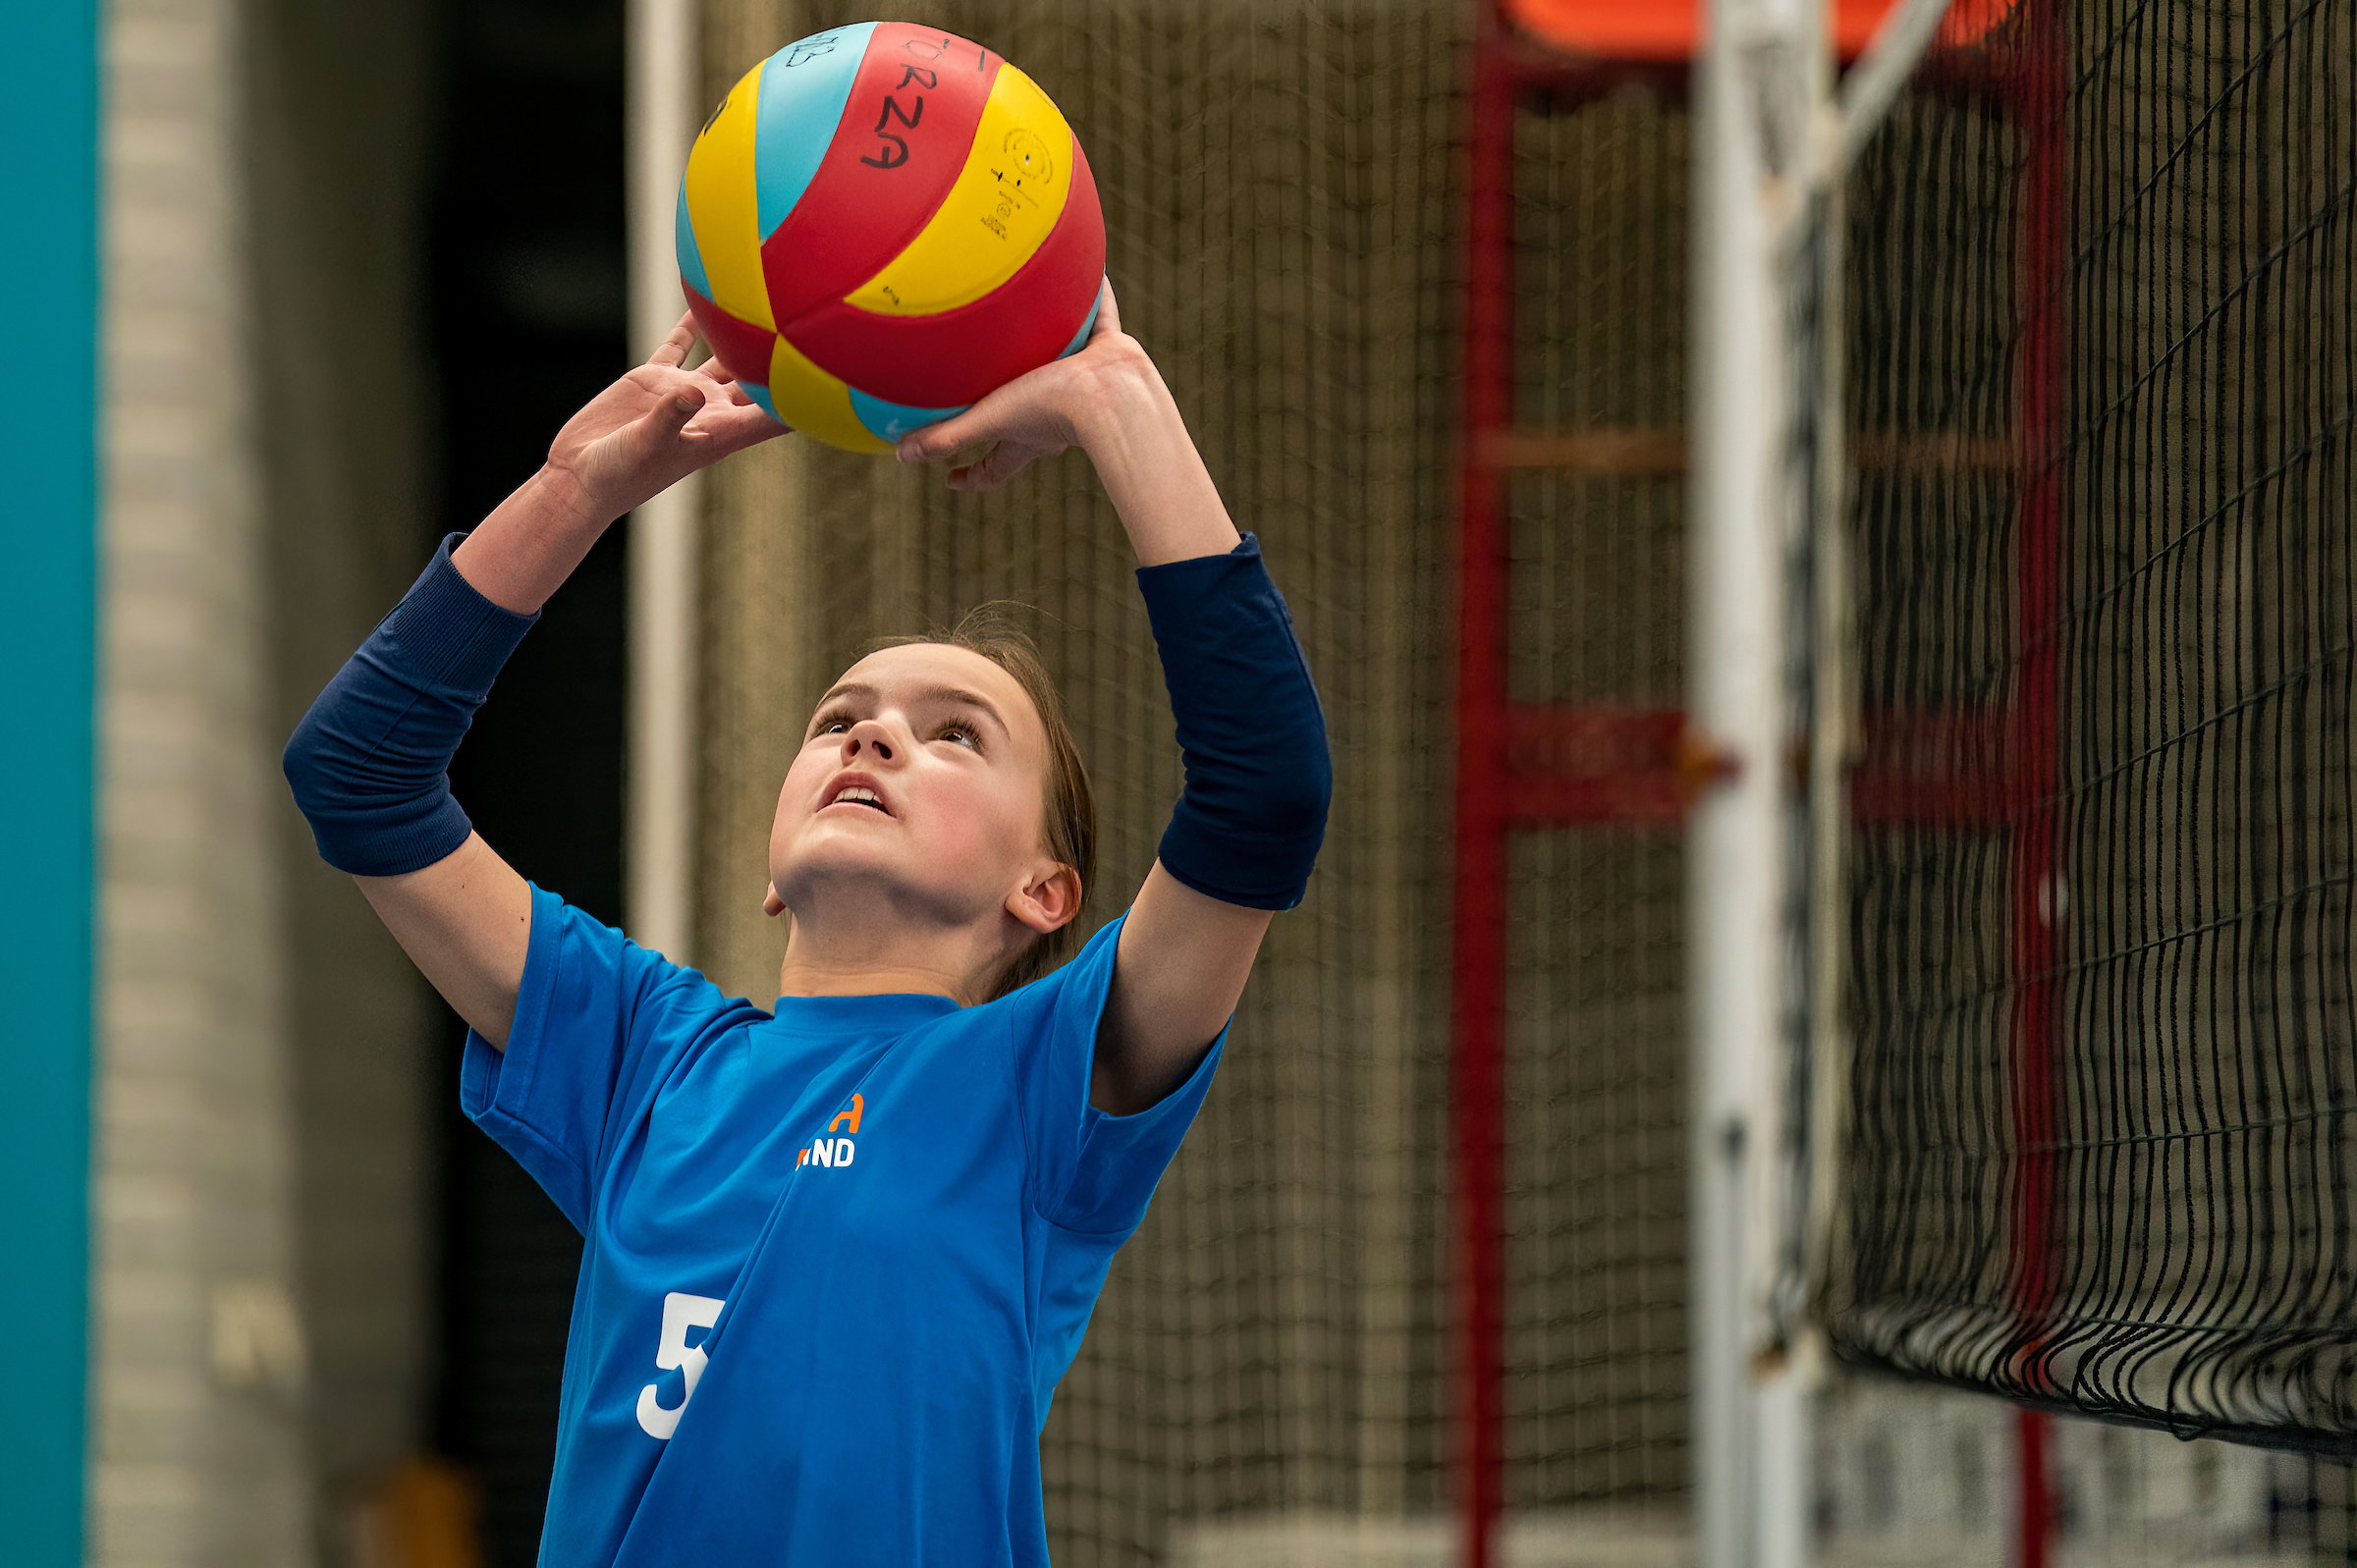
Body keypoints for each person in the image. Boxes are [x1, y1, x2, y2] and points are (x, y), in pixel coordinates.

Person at [283, 283, 1331, 1565]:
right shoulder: (646, 1057)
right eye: (841, 716)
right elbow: (359, 775)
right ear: (775, 866)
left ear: (1043, 891)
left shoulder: (1045, 1081)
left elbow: (1265, 792)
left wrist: (1116, 398)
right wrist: (576, 494)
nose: (874, 732)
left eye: (956, 734)